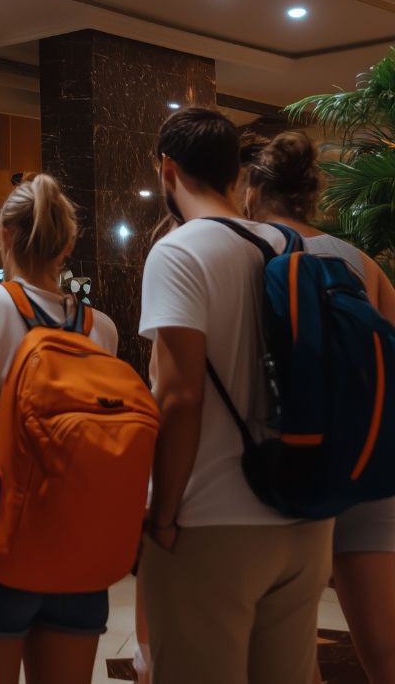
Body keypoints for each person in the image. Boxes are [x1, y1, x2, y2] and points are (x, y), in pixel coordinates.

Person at [242, 131, 395, 684]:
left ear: (251, 189)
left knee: (287, 647)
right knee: (383, 646)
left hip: (293, 467)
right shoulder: (356, 263)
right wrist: (389, 444)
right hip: (365, 473)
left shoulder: (250, 255)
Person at [138, 107, 334, 683]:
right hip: (302, 519)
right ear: (237, 174)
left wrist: (163, 516)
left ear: (167, 169)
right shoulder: (288, 244)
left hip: (214, 523)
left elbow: (179, 398)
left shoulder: (178, 252)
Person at [0, 173, 120, 684]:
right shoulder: (100, 328)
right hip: (80, 547)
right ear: (69, 244)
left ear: (4, 235)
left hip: (1, 543)